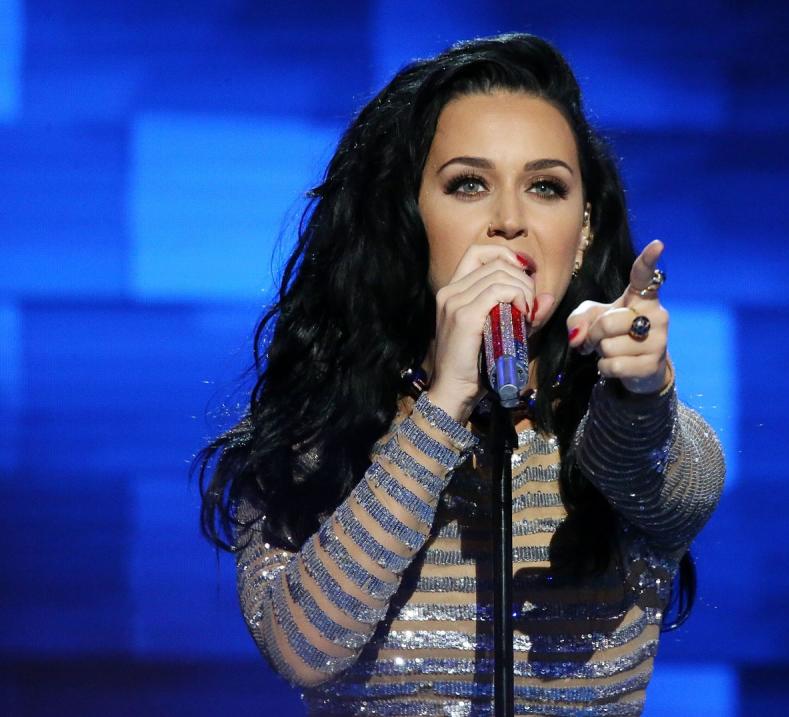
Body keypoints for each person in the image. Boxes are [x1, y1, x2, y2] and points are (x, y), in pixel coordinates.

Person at [196, 32, 726, 716]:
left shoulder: (634, 435)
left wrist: (640, 390)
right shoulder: (313, 437)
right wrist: (442, 402)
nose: (509, 221)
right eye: (468, 184)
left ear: (584, 226)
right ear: (410, 217)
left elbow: (663, 481)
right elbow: (303, 646)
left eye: (546, 186)